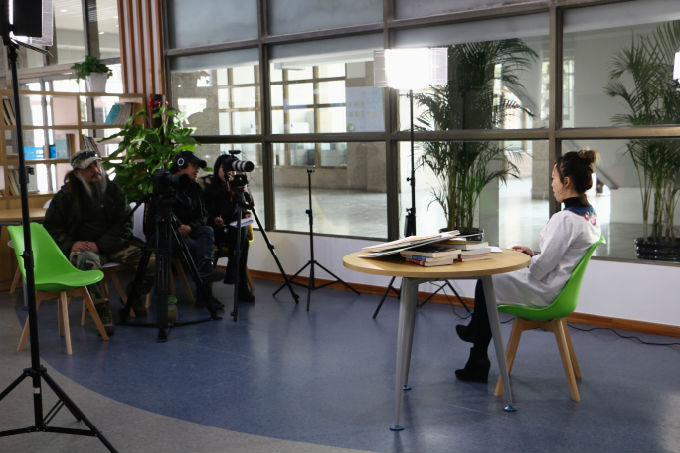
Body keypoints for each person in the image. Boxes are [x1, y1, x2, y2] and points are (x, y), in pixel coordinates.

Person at [454, 149, 601, 382]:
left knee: (486, 281)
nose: (552, 184)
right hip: (561, 289)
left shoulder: (565, 219)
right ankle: (476, 348)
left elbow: (540, 270)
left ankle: (477, 351)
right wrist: (534, 255)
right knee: (490, 282)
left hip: (545, 292)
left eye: (553, 178)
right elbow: (559, 256)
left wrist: (529, 260)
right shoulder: (588, 215)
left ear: (566, 182)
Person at [44, 149, 155, 336]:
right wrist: (70, 244)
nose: (96, 170)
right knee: (86, 264)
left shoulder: (113, 190)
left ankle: (133, 295)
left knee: (151, 261)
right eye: (89, 168)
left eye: (96, 164)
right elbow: (52, 227)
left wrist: (101, 245)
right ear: (78, 174)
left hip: (115, 244)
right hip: (84, 247)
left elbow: (125, 224)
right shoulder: (66, 196)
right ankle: (101, 313)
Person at [202, 154, 255, 302]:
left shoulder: (237, 187)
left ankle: (234, 274)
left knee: (241, 232)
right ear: (217, 169)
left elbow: (243, 208)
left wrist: (246, 214)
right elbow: (204, 213)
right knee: (242, 240)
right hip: (216, 232)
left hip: (233, 233)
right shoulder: (209, 188)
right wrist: (214, 219)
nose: (229, 171)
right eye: (225, 167)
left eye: (232, 168)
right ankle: (241, 287)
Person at [169, 150, 224, 282]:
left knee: (207, 230)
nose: (197, 169)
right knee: (198, 247)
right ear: (181, 165)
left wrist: (190, 227)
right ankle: (203, 286)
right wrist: (177, 227)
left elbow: (203, 216)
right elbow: (160, 212)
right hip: (171, 233)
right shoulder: (166, 186)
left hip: (190, 231)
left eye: (198, 166)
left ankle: (205, 271)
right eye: (194, 165)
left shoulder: (194, 188)